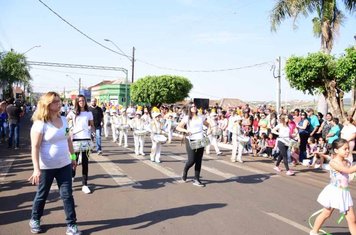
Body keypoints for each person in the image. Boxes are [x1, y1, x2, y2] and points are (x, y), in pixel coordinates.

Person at [28, 92, 81, 235]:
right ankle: (35, 219)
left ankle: (72, 224)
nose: (59, 103)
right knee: (42, 195)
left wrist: (73, 157)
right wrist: (36, 169)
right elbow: (35, 147)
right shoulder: (40, 123)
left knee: (67, 195)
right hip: (46, 167)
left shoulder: (64, 119)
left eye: (59, 101)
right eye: (55, 101)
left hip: (64, 165)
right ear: (48, 105)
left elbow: (68, 140)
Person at [310, 138, 356, 235]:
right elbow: (347, 171)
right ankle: (314, 231)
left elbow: (349, 173)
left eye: (348, 148)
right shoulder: (333, 163)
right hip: (335, 192)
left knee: (352, 219)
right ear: (336, 150)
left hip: (344, 192)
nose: (347, 150)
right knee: (326, 213)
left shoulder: (347, 161)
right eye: (345, 149)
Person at [176, 102, 209, 187]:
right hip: (191, 139)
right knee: (191, 160)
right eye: (192, 106)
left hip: (201, 139)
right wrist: (186, 131)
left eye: (195, 106)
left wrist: (210, 129)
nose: (194, 107)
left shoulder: (201, 117)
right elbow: (178, 127)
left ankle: (196, 179)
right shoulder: (187, 118)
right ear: (189, 108)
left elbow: (208, 125)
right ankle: (185, 171)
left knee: (199, 160)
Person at [67, 95, 94, 194]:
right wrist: (68, 132)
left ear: (85, 102)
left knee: (85, 163)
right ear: (77, 102)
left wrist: (92, 132)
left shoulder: (89, 113)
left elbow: (92, 125)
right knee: (73, 161)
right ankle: (71, 177)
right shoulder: (72, 113)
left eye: (83, 100)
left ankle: (84, 184)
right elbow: (65, 123)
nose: (81, 102)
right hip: (75, 141)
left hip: (86, 141)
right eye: (79, 101)